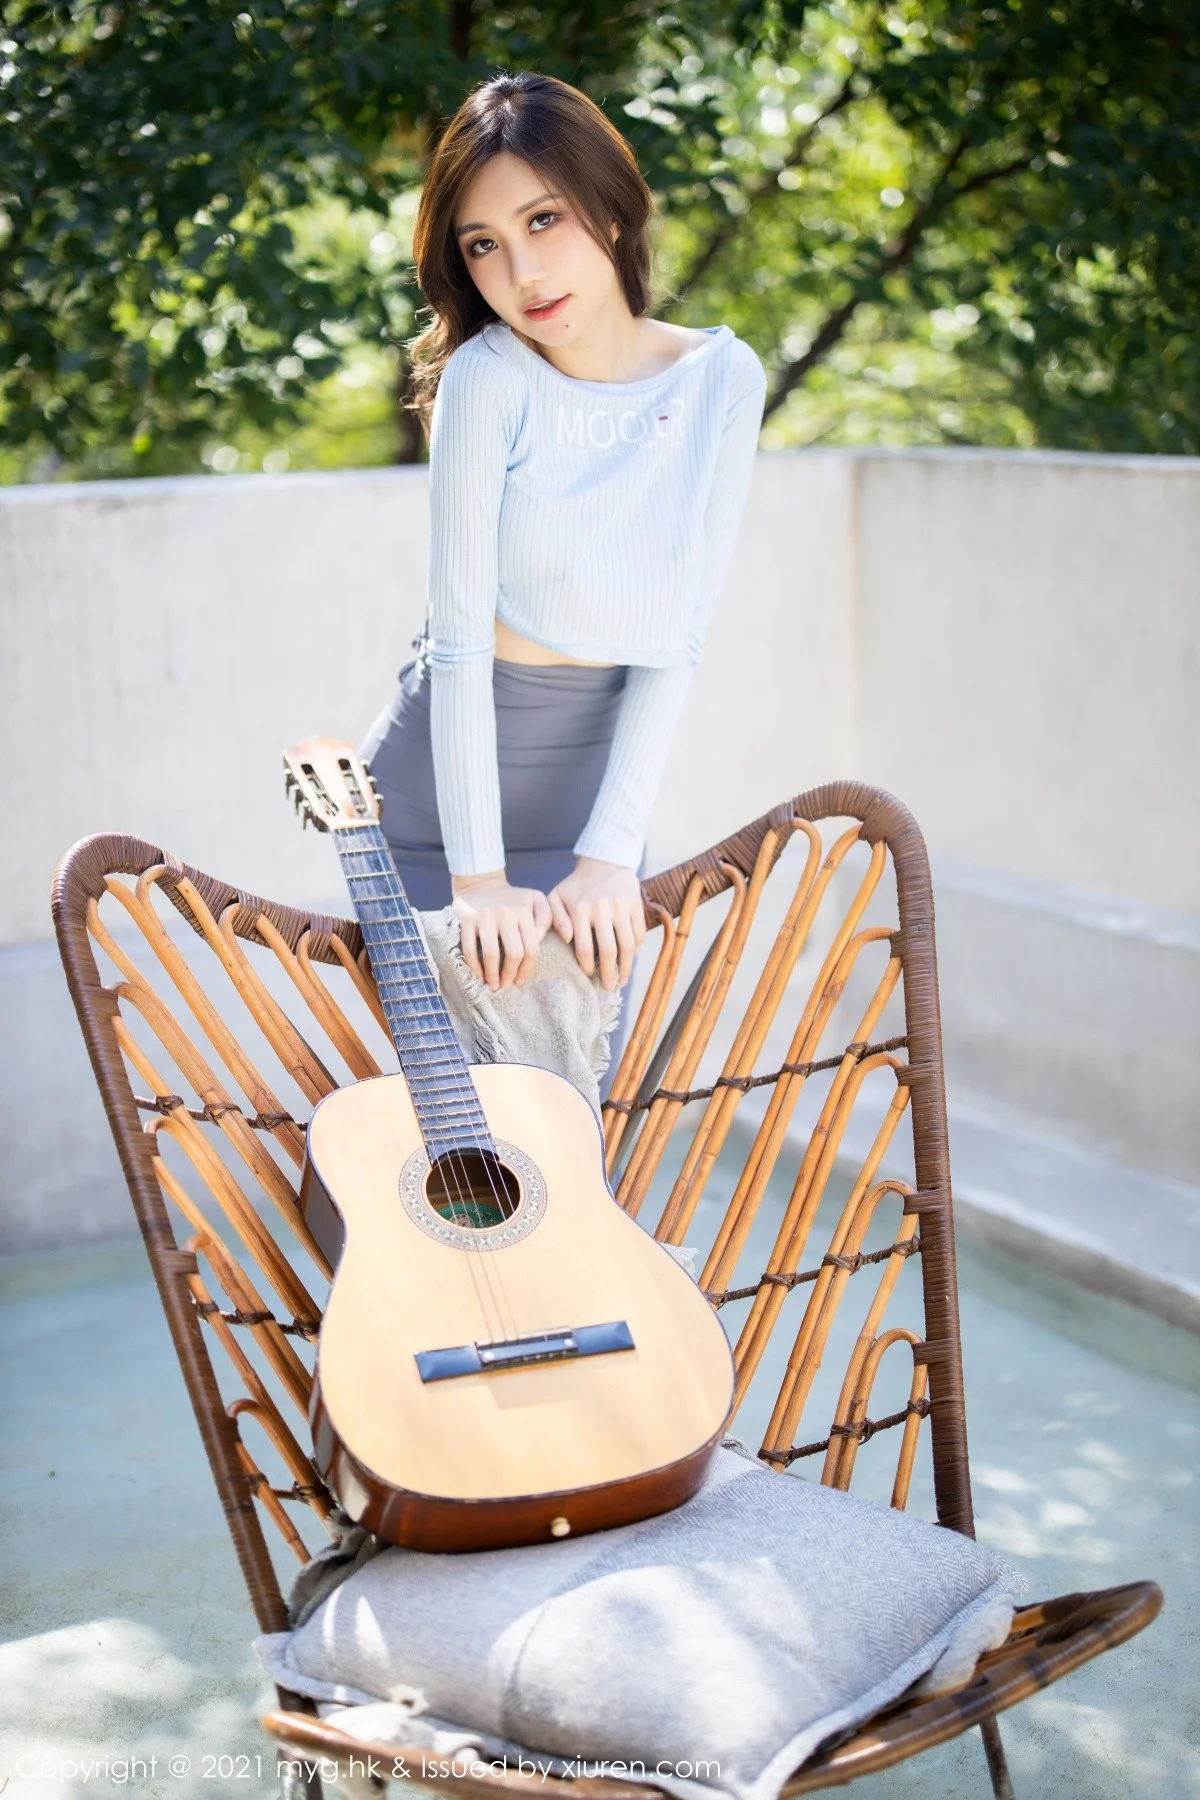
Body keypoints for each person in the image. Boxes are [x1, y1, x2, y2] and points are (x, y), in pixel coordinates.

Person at [360, 69, 767, 1092]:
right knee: (446, 1137)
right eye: (483, 245)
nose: (522, 272)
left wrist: (611, 853)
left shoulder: (723, 380)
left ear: (613, 208)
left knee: (576, 1120)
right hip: (439, 818)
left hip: (592, 811)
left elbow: (679, 634)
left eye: (544, 219)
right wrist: (479, 879)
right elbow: (458, 643)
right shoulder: (488, 379)